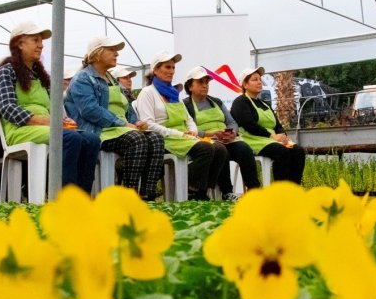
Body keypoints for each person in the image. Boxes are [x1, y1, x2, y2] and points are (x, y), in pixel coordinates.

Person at [0, 21, 99, 193]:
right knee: (71, 138)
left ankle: (82, 198)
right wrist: (50, 123)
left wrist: (63, 120)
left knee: (91, 140)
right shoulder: (6, 71)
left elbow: (52, 110)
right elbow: (7, 108)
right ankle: (64, 198)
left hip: (45, 127)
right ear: (19, 43)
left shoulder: (41, 76)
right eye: (35, 40)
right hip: (19, 129)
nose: (41, 45)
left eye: (41, 41)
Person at [66, 37, 164, 200]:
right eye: (111, 49)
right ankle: (128, 196)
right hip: (98, 131)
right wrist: (123, 123)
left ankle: (147, 195)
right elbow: (90, 110)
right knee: (137, 140)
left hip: (120, 129)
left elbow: (125, 107)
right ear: (96, 54)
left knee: (156, 139)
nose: (116, 53)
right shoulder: (83, 79)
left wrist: (135, 122)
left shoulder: (111, 80)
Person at [136, 52, 228, 201]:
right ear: (156, 70)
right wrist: (179, 134)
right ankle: (191, 191)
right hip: (165, 139)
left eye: (173, 67)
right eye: (167, 67)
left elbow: (189, 119)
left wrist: (192, 131)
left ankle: (201, 190)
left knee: (220, 149)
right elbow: (149, 125)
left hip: (184, 137)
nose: (172, 71)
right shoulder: (147, 93)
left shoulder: (173, 94)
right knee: (206, 149)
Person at [182, 66, 259, 200]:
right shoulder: (185, 105)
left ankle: (254, 191)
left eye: (207, 82)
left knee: (244, 149)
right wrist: (210, 134)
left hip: (225, 139)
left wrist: (232, 133)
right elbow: (188, 131)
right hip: (205, 141)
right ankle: (227, 192)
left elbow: (232, 122)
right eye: (200, 82)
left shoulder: (216, 101)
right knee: (221, 149)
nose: (205, 86)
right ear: (190, 87)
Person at [231, 67, 305, 184]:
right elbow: (249, 125)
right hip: (253, 140)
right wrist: (272, 136)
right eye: (255, 79)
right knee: (282, 151)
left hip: (271, 139)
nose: (259, 82)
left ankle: (293, 191)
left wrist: (283, 136)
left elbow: (277, 124)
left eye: (260, 79)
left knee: (298, 151)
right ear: (245, 85)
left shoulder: (264, 104)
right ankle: (279, 192)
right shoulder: (240, 102)